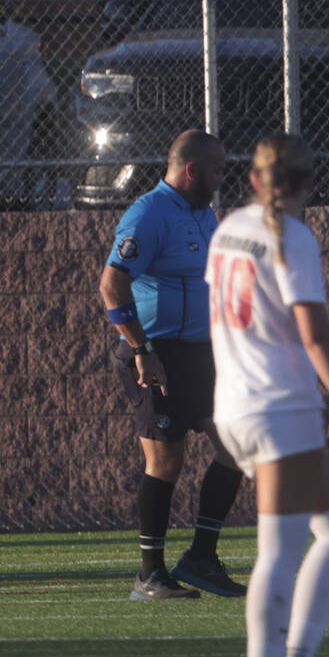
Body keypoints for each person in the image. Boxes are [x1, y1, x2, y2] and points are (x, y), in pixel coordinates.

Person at [206, 133, 329, 657]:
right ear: (309, 183)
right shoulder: (293, 238)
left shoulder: (228, 226)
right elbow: (316, 334)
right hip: (278, 408)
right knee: (278, 552)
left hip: (237, 405)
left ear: (254, 179)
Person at [99, 129, 247, 601]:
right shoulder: (149, 214)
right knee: (166, 460)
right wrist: (141, 349)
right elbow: (112, 287)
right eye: (217, 170)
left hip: (202, 355)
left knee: (236, 446)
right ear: (192, 170)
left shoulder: (204, 215)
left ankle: (201, 558)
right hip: (156, 353)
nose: (222, 179)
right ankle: (149, 575)